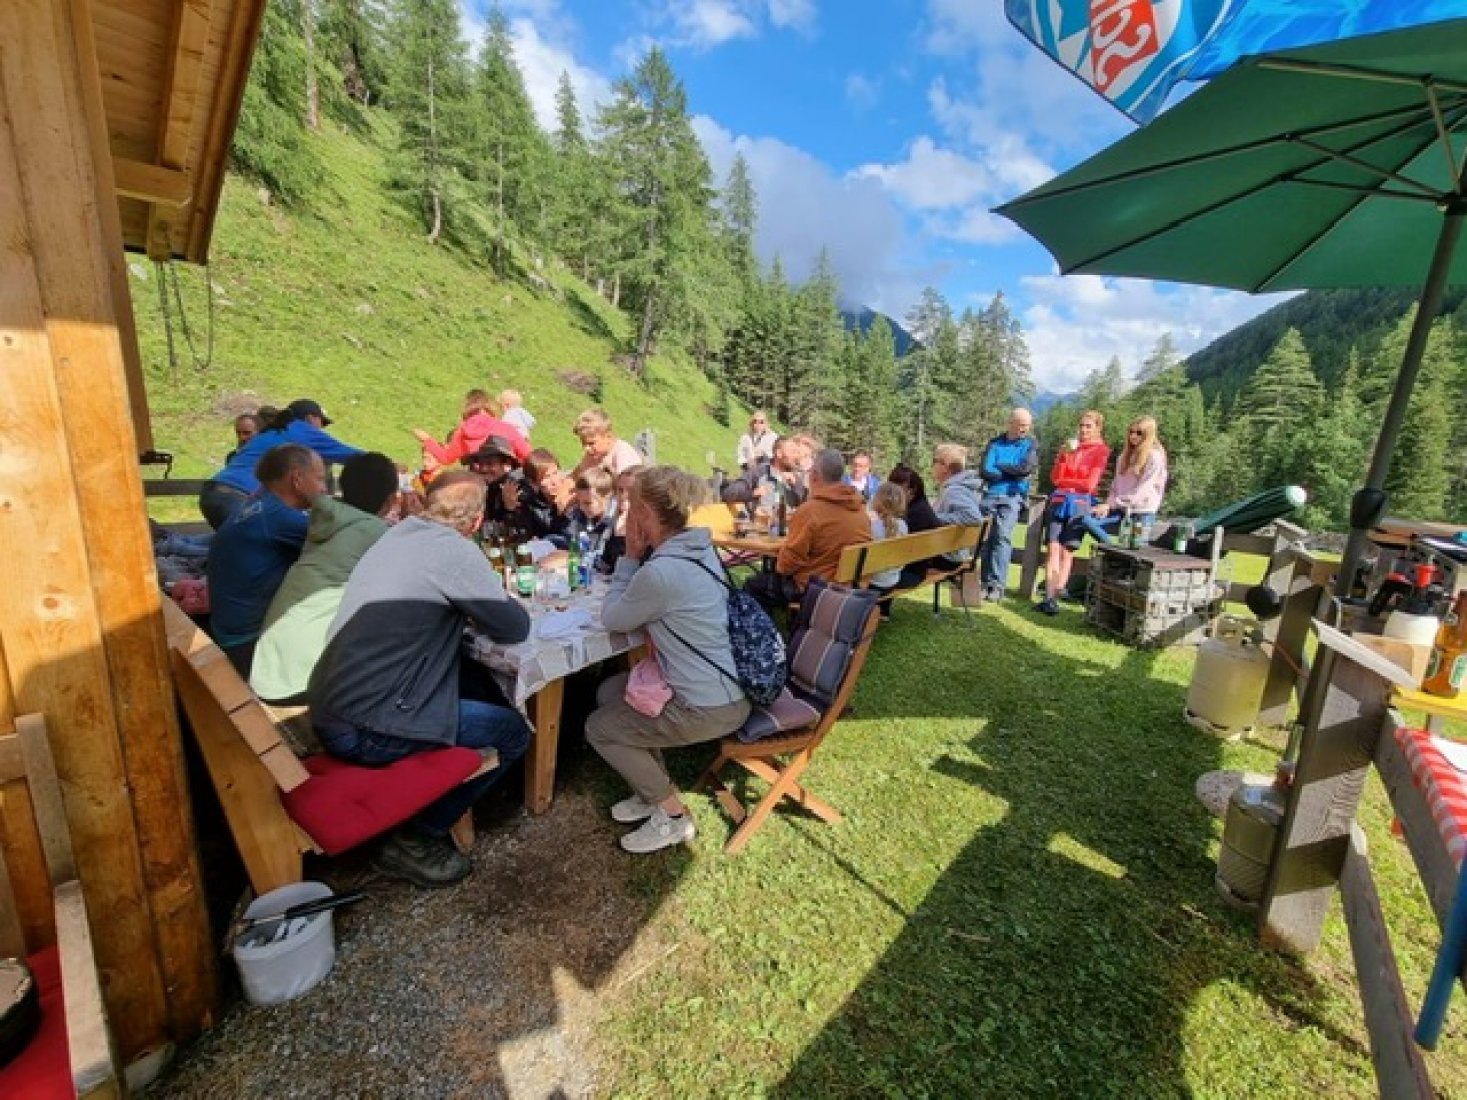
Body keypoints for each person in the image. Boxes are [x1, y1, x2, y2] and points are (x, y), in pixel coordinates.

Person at [309, 472, 532, 887]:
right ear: (477, 520)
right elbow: (513, 627)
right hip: (367, 728)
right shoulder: (453, 552)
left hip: (332, 705)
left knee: (472, 675)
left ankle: (457, 788)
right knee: (513, 732)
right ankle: (415, 838)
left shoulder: (398, 535)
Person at [586, 466, 752, 853]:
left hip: (707, 707)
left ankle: (673, 816)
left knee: (599, 728)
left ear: (645, 512)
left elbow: (613, 618)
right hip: (730, 687)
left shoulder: (660, 572)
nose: (625, 512)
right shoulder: (700, 549)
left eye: (630, 505)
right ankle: (651, 791)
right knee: (611, 691)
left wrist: (630, 557)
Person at [249, 453, 398, 705]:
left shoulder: (329, 519)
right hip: (298, 680)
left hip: (269, 665)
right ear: (392, 499)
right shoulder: (374, 532)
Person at [207, 444, 326, 677]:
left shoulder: (257, 504)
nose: (324, 489)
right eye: (320, 479)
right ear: (297, 479)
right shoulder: (280, 518)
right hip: (248, 646)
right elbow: (345, 543)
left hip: (228, 633)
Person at [199, 399, 363, 530]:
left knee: (234, 542)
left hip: (213, 492)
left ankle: (185, 544)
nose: (321, 430)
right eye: (321, 423)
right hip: (237, 495)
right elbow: (358, 458)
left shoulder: (272, 432)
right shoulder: (301, 429)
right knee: (266, 540)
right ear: (311, 418)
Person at [746, 449, 871, 608]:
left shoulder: (811, 511)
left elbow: (789, 563)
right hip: (849, 585)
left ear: (815, 476)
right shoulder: (860, 509)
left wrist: (779, 563)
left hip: (815, 588)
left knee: (753, 585)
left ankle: (761, 624)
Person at [1037, 409, 1111, 616]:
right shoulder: (1072, 447)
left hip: (1079, 503)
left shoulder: (1101, 451)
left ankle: (1056, 597)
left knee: (1066, 550)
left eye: (1089, 426)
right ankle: (1048, 597)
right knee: (1052, 547)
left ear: (1098, 428)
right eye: (1081, 426)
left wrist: (1067, 483)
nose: (1084, 430)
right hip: (1059, 500)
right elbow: (1055, 478)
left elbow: (1089, 485)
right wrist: (1062, 458)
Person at [977, 408, 1039, 602]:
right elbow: (985, 470)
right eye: (1020, 425)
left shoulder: (1030, 444)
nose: (1024, 429)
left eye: (1027, 425)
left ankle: (997, 585)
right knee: (985, 538)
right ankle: (984, 582)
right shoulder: (995, 443)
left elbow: (1024, 469)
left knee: (1002, 536)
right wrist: (1010, 471)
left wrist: (1000, 466)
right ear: (1011, 423)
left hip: (1012, 496)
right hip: (991, 495)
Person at [1091, 415, 1168, 537]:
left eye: (1139, 433)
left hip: (1142, 512)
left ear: (1148, 435)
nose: (1133, 436)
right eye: (1131, 432)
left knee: (1137, 544)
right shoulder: (1123, 457)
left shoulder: (1154, 457)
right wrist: (1109, 504)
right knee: (1088, 523)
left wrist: (1114, 503)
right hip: (1121, 510)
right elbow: (1115, 485)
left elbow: (1144, 489)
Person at [412, 388, 529, 467]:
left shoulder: (461, 432)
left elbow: (446, 458)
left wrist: (426, 439)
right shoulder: (505, 428)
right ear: (491, 406)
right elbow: (528, 457)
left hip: (475, 477)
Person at [885, 464, 944, 590]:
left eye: (897, 488)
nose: (892, 493)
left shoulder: (915, 514)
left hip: (910, 573)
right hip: (915, 568)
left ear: (912, 491)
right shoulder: (920, 506)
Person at [501, 447, 572, 542]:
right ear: (533, 483)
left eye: (555, 473)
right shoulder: (530, 504)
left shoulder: (570, 495)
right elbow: (519, 536)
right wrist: (510, 509)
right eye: (546, 477)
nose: (554, 482)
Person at [720, 435, 807, 509]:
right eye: (793, 452)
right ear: (779, 453)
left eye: (797, 453)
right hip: (759, 523)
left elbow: (807, 506)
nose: (797, 456)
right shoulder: (759, 472)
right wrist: (752, 494)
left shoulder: (795, 479)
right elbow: (728, 493)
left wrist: (796, 486)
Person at [866, 482, 909, 613]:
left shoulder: (872, 527)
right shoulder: (903, 526)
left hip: (872, 584)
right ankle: (884, 611)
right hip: (892, 581)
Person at [571, 408, 643, 479]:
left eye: (591, 443)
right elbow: (573, 478)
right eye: (584, 443)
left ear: (608, 436)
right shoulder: (594, 454)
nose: (587, 448)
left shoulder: (624, 456)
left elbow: (627, 485)